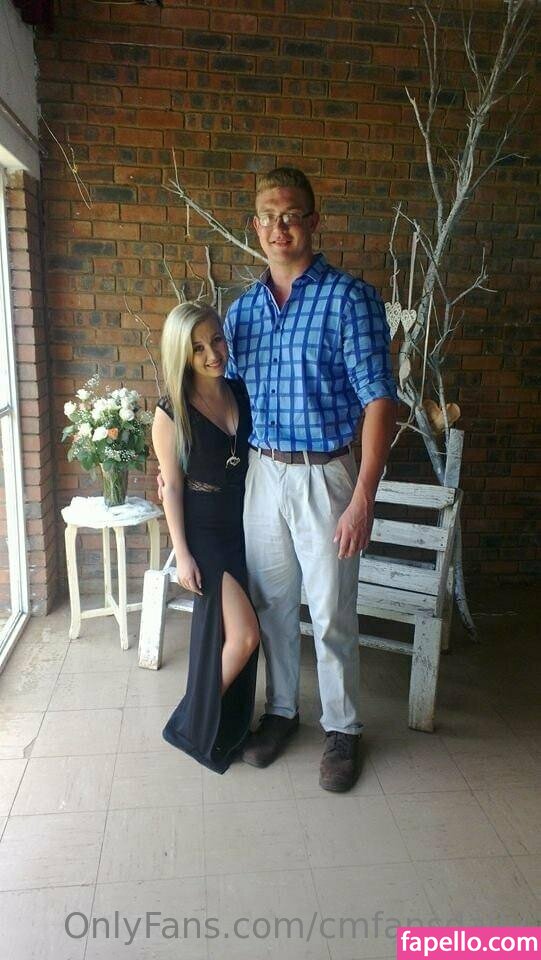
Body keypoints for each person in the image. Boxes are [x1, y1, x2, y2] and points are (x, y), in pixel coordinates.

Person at [224, 167, 398, 792]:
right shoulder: (241, 312)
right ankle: (281, 712)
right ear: (255, 226)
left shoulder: (350, 299)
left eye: (292, 215)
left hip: (326, 475)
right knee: (272, 604)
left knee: (330, 611)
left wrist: (364, 496)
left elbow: (380, 400)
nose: (280, 227)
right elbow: (223, 398)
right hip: (262, 473)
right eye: (269, 217)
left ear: (313, 221)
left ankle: (342, 728)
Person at [152, 301, 259, 774]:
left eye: (216, 339)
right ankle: (191, 722)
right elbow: (172, 486)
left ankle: (213, 721)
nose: (213, 353)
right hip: (205, 532)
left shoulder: (239, 390)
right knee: (245, 636)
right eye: (197, 348)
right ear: (182, 354)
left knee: (229, 635)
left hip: (243, 524)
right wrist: (182, 553)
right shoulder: (171, 411)